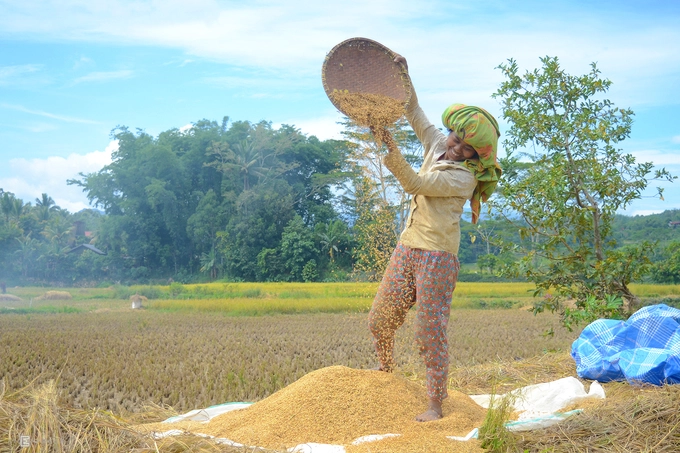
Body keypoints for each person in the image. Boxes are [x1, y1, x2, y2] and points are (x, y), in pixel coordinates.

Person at [367, 55, 502, 422]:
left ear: (477, 157)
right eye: (458, 139)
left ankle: (435, 403)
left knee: (428, 330)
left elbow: (415, 184)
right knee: (380, 319)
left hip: (438, 257)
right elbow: (415, 112)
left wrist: (389, 151)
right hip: (408, 246)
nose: (457, 148)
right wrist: (402, 74)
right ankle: (386, 372)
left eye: (468, 149)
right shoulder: (437, 144)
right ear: (451, 131)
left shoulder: (464, 179)